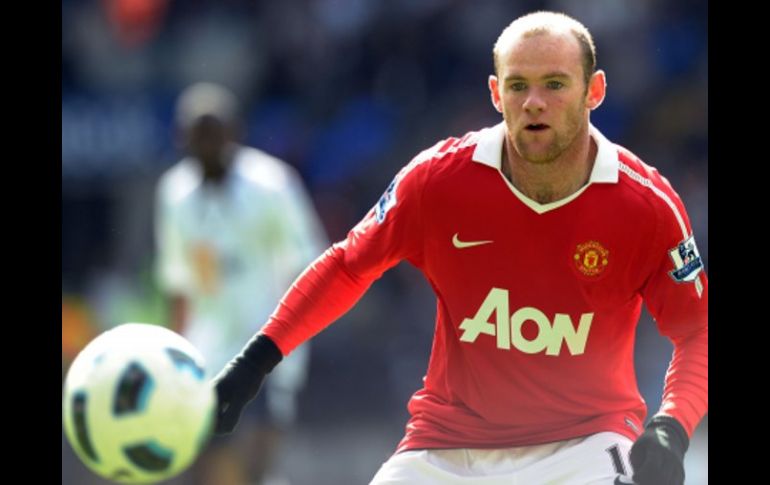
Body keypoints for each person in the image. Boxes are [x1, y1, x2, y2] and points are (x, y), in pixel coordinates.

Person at [212, 11, 707, 485]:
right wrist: (256, 360)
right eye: (518, 85)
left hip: (584, 449)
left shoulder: (646, 205)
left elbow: (696, 332)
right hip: (446, 449)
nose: (534, 101)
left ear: (593, 91)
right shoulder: (438, 181)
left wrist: (673, 427)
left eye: (554, 84)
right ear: (496, 93)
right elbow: (348, 266)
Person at [154, 82, 328, 485]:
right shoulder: (175, 193)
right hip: (208, 346)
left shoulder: (270, 184)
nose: (206, 144)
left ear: (234, 132)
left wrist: (289, 334)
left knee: (258, 454)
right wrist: (170, 352)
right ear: (182, 138)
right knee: (210, 460)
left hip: (265, 340)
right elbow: (177, 279)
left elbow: (306, 259)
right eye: (197, 135)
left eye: (213, 133)